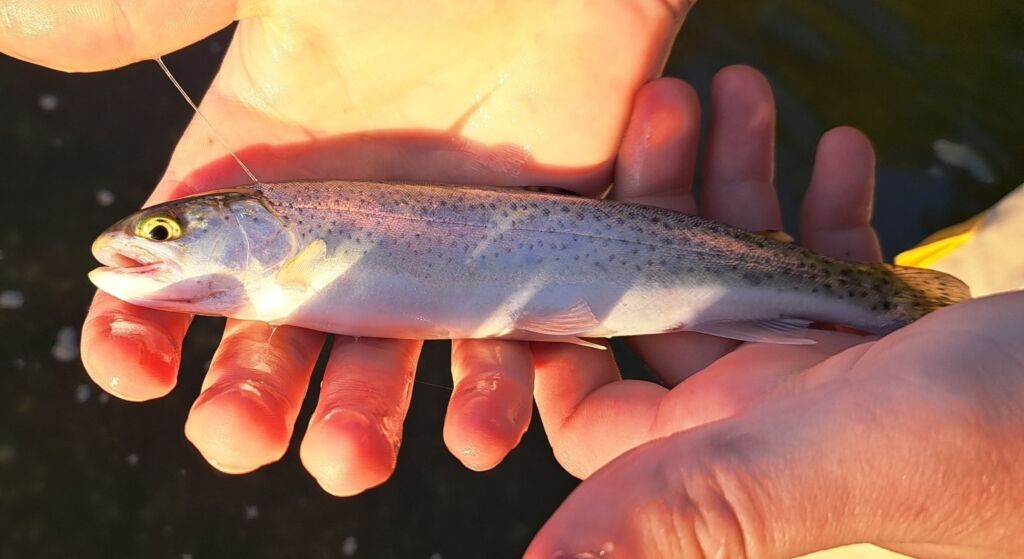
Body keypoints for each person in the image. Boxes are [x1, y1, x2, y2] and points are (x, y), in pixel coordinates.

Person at [3, 2, 1022, 557]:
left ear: (253, 231)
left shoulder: (294, 255)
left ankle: (886, 304)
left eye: (170, 229)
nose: (144, 249)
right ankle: (887, 306)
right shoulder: (276, 267)